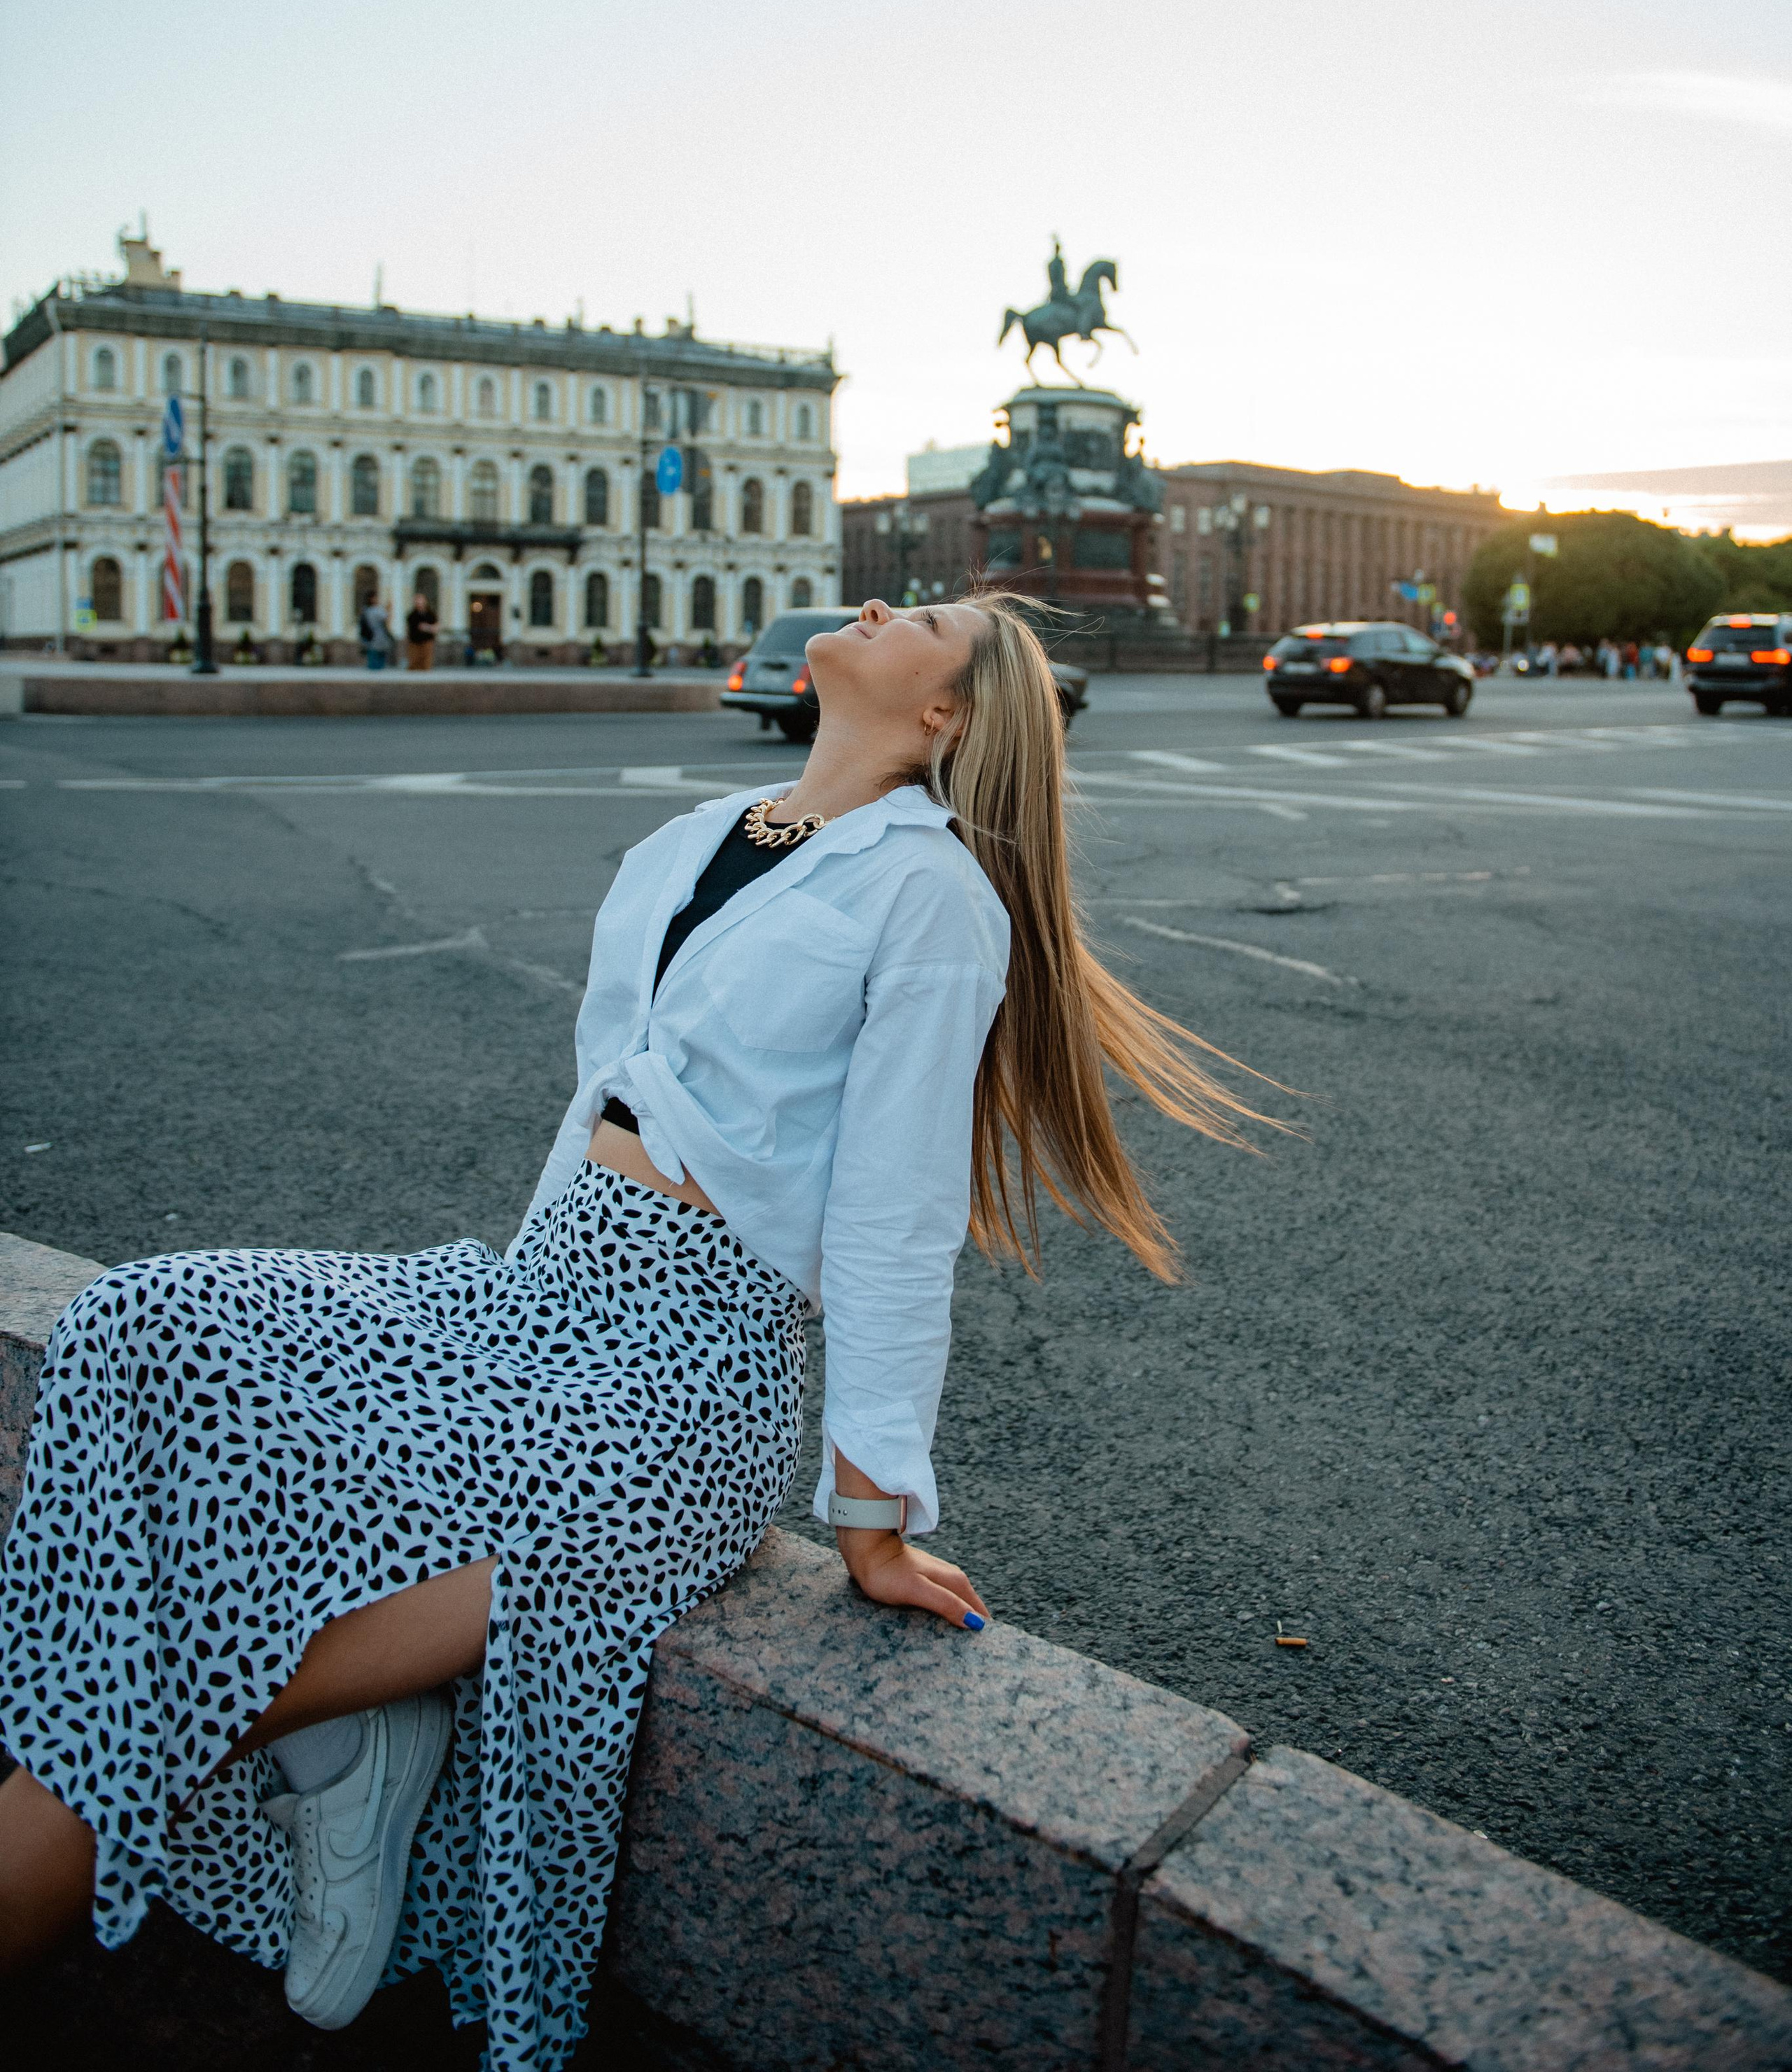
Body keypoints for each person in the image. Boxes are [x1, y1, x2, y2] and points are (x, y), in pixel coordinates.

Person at [0, 594, 1256, 2071]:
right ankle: (352, 1738)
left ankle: (329, 1740)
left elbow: (898, 1219)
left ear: (949, 717)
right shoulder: (699, 838)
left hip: (680, 1386)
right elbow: (607, 1092)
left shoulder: (932, 899)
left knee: (140, 1692)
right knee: (145, 1324)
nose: (868, 603)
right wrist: (486, 1325)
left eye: (919, 617)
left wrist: (872, 1516)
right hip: (534, 1302)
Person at [405, 592, 439, 673]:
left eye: (420, 600)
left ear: (425, 601)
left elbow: (436, 627)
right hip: (414, 642)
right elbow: (410, 628)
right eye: (417, 600)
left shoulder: (431, 614)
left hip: (427, 642)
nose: (418, 602)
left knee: (426, 664)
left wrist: (427, 627)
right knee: (414, 664)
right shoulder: (411, 615)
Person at [358, 597, 395, 671]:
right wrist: (389, 609)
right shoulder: (375, 610)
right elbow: (386, 618)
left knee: (372, 654)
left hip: (369, 636)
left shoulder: (366, 610)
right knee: (377, 656)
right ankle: (376, 671)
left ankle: (373, 670)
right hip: (377, 636)